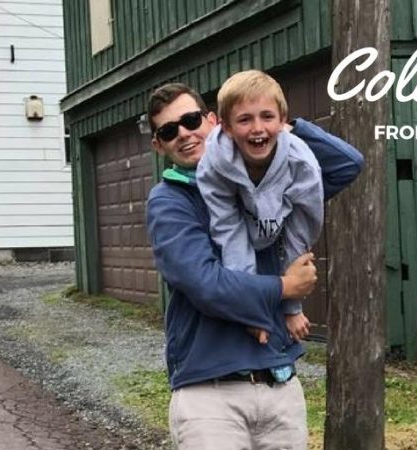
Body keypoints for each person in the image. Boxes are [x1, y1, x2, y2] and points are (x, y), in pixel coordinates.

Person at [145, 82, 362, 450]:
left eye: (191, 119)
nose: (183, 133)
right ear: (159, 145)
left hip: (280, 385)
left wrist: (286, 128)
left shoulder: (267, 180)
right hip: (210, 395)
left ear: (215, 121)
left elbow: (346, 164)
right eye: (168, 130)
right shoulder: (169, 202)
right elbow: (204, 283)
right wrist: (284, 288)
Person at [197, 70, 323, 345]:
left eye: (267, 116)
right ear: (226, 128)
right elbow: (229, 232)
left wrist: (292, 306)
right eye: (244, 119)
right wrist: (250, 309)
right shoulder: (212, 166)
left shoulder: (302, 164)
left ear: (282, 122)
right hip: (240, 237)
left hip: (280, 234)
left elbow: (300, 232)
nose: (257, 128)